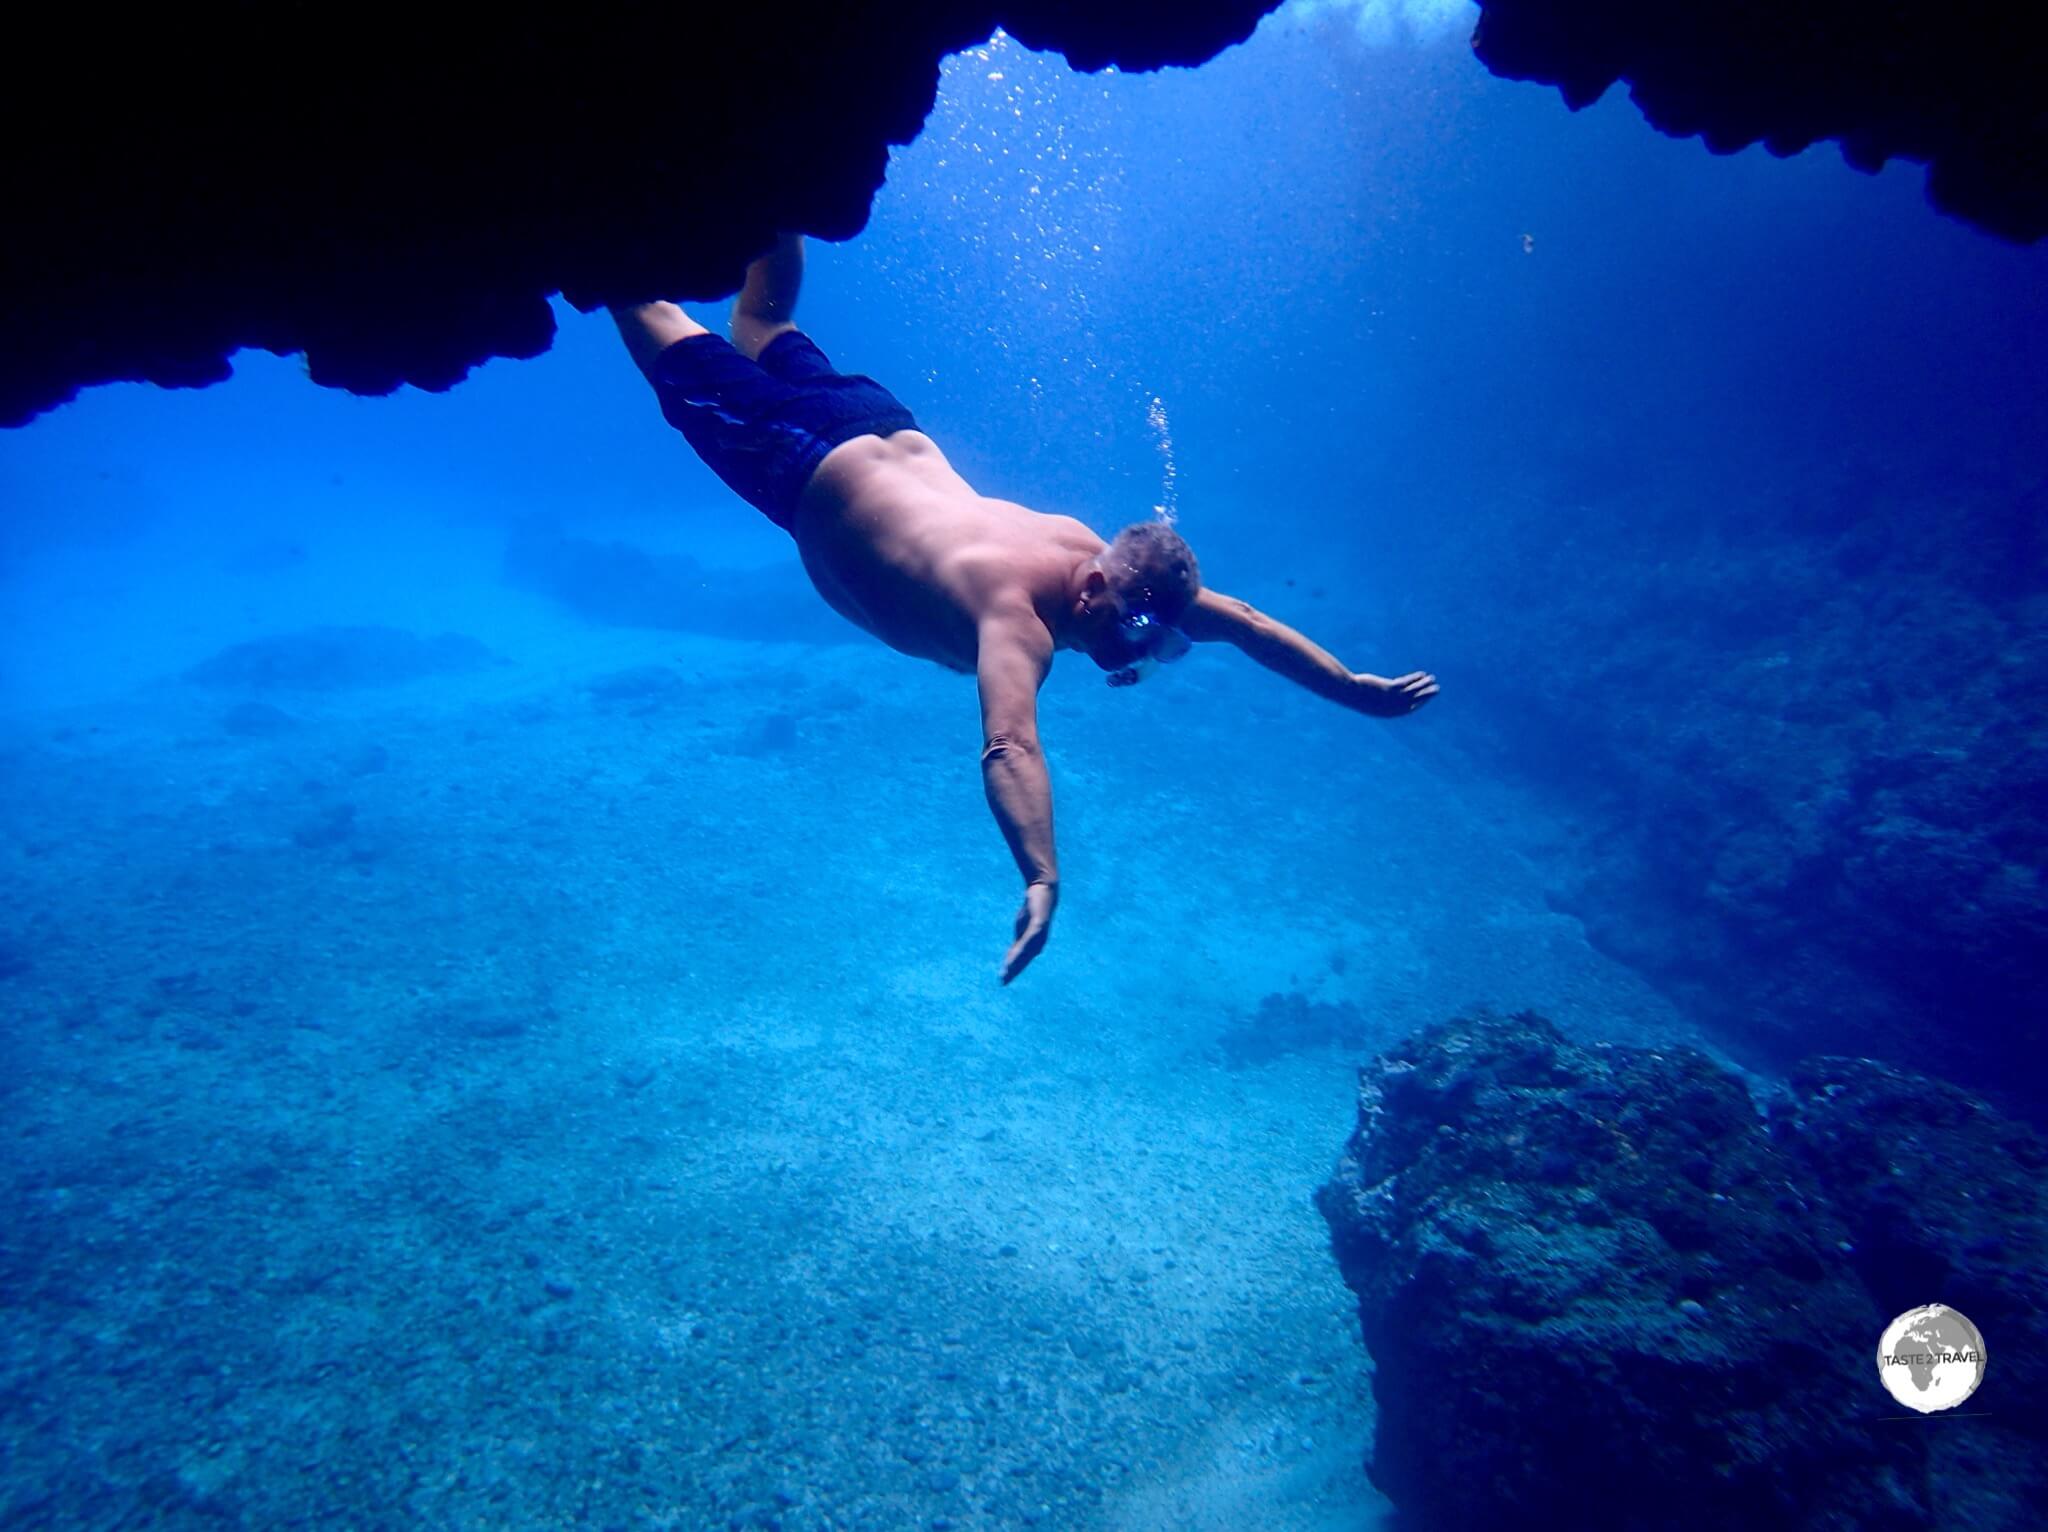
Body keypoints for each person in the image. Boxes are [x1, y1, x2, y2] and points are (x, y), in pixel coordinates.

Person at [612, 236, 1437, 984]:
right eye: (1134, 629)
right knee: (640, 300)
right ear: (1092, 590)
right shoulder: (1017, 618)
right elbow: (1009, 744)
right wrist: (1041, 874)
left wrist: (1353, 687)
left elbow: (1246, 623)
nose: (1135, 648)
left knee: (761, 318)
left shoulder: (1100, 559)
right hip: (795, 450)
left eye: (1153, 633)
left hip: (872, 420)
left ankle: (768, 185)